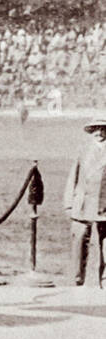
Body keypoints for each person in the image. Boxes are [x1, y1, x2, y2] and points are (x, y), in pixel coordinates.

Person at [64, 117, 106, 287]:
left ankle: (103, 279)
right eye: (95, 129)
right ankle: (77, 278)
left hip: (104, 203)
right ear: (90, 132)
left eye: (103, 129)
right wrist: (68, 203)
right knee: (79, 238)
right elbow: (72, 177)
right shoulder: (83, 151)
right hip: (82, 203)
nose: (100, 133)